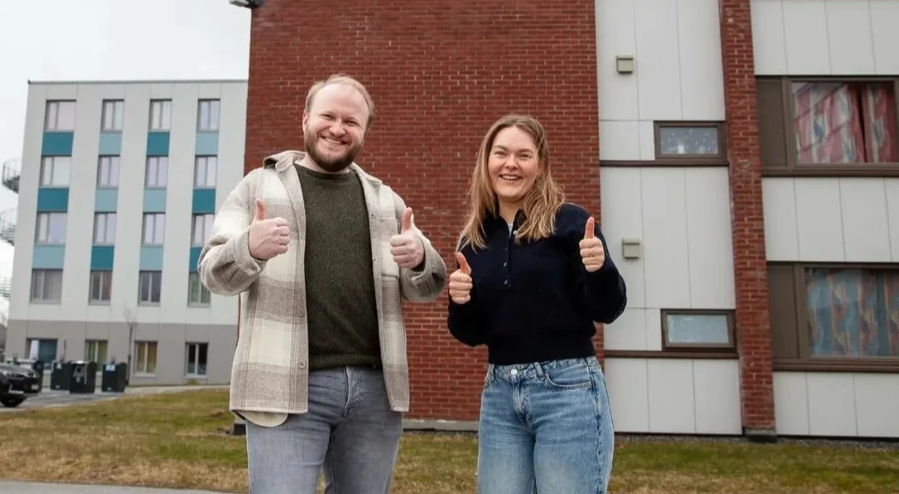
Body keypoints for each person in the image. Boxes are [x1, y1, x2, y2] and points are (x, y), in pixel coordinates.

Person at [198, 74, 447, 494]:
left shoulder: (386, 201)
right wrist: (249, 248)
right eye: (328, 116)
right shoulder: (259, 186)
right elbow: (212, 274)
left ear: (364, 131)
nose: (337, 128)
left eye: (351, 121)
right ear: (305, 119)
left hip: (374, 391)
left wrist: (421, 260)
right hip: (283, 386)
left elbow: (427, 288)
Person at [447, 114, 627, 494]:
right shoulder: (474, 239)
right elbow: (471, 332)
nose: (511, 164)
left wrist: (600, 269)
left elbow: (608, 308)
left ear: (540, 165)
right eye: (501, 154)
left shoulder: (571, 223)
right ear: (487, 162)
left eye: (523, 155)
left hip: (569, 392)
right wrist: (460, 301)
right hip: (499, 395)